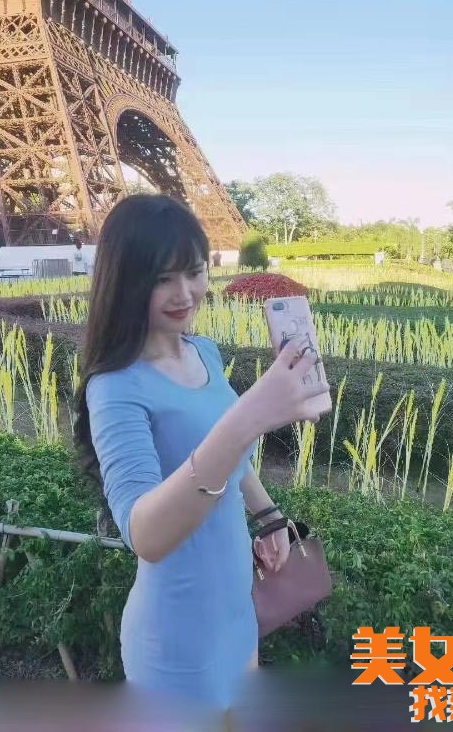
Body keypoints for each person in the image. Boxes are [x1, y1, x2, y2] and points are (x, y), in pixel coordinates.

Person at [74, 194, 329, 714]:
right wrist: (249, 416)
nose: (184, 293)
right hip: (176, 638)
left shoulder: (202, 351)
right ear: (125, 281)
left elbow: (231, 457)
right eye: (162, 278)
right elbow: (145, 534)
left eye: (193, 272)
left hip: (236, 611)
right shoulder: (115, 386)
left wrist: (268, 515)